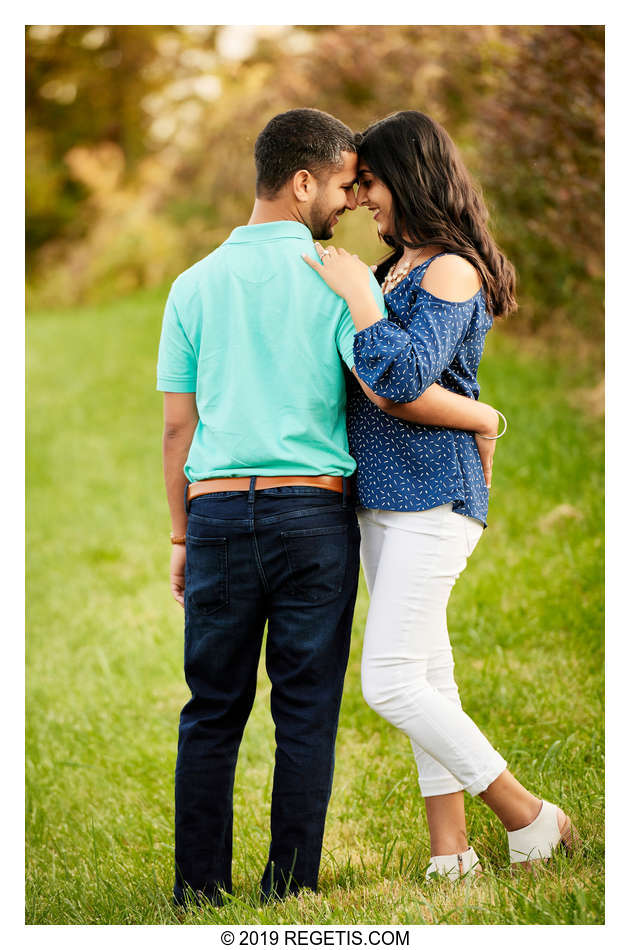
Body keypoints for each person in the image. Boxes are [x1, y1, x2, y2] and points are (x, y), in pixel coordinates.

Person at [157, 108, 502, 906]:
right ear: (302, 181)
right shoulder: (337, 279)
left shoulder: (192, 284)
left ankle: (197, 895)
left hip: (212, 513)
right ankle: (289, 892)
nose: (350, 201)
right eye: (344, 185)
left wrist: (180, 533)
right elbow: (390, 384)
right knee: (305, 708)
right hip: (313, 516)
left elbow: (180, 425)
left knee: (211, 708)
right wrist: (484, 415)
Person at [304, 109, 579, 879]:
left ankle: (531, 816)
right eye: (353, 188)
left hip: (432, 495)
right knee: (428, 676)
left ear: (411, 176)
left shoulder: (450, 268)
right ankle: (451, 856)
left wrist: (361, 299)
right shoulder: (399, 266)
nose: (361, 201)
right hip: (383, 497)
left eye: (371, 184)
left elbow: (397, 380)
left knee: (390, 679)